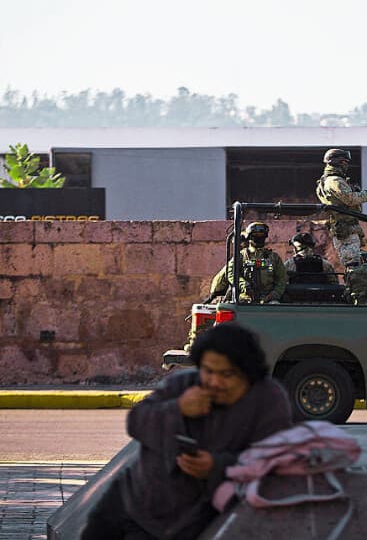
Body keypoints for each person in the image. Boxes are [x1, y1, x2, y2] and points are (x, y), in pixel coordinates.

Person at [82, 323, 293, 539]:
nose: (215, 382)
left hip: (186, 520)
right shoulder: (183, 384)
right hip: (130, 499)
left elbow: (275, 462)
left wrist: (216, 466)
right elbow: (137, 421)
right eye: (209, 371)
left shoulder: (268, 400)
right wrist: (177, 408)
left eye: (227, 374)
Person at [315, 148, 367, 267]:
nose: (346, 165)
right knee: (353, 266)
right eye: (344, 162)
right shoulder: (335, 181)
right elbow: (351, 199)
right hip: (346, 229)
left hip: (345, 227)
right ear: (335, 162)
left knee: (355, 263)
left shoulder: (329, 181)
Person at [226, 222, 287, 303]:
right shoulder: (240, 256)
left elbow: (282, 279)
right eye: (256, 236)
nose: (259, 238)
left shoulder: (273, 257)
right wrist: (244, 285)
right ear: (249, 237)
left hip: (268, 299)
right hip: (245, 298)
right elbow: (231, 274)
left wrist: (274, 294)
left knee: (275, 305)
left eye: (262, 236)